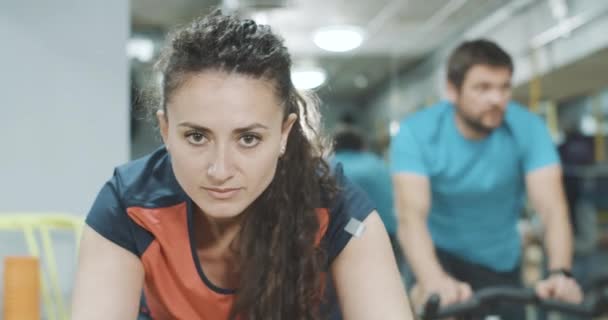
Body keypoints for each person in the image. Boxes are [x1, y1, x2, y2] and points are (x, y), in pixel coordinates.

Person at [71, 10, 412, 320]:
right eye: (196, 137)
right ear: (166, 131)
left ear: (284, 133)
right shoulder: (128, 206)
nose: (220, 170)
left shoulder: (335, 208)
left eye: (248, 139)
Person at [389, 39, 583, 318]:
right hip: (437, 256)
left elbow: (552, 209)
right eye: (483, 88)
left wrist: (560, 272)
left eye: (504, 87)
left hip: (500, 260)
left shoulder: (529, 128)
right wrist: (434, 280)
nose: (497, 98)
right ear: (452, 91)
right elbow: (411, 216)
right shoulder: (417, 133)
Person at [330, 126, 403, 272]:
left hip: (359, 234)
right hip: (392, 231)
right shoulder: (379, 163)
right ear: (362, 146)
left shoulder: (332, 167)